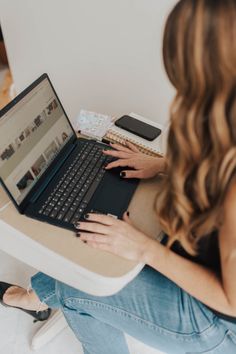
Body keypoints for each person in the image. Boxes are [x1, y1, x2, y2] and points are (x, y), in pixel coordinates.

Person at [1, 0, 236, 352]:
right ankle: (39, 296)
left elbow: (232, 302)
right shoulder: (224, 119)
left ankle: (40, 297)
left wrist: (143, 247)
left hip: (215, 322)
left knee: (78, 284)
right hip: (202, 263)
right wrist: (163, 165)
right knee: (94, 243)